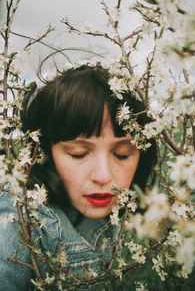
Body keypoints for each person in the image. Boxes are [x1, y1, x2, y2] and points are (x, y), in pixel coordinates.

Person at [0, 64, 157, 290]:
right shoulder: (20, 221)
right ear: (45, 152)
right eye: (79, 154)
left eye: (122, 155)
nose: (103, 176)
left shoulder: (114, 214)